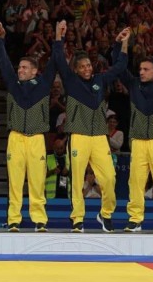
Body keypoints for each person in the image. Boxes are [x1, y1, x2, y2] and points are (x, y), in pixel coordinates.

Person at [53, 20, 128, 233]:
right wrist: (59, 35)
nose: (87, 69)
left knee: (110, 178)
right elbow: (58, 59)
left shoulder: (100, 79)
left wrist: (123, 43)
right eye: (82, 66)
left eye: (89, 65)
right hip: (78, 136)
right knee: (77, 179)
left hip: (99, 137)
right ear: (75, 69)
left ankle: (105, 214)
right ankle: (77, 218)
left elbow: (120, 66)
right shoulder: (70, 81)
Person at [112, 28, 153, 234]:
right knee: (135, 182)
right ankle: (135, 219)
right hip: (139, 140)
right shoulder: (133, 84)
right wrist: (120, 44)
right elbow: (119, 67)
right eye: (140, 69)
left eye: (146, 69)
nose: (141, 72)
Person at [0, 20, 57, 232]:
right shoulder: (13, 84)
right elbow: (3, 63)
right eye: (19, 67)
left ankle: (40, 219)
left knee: (37, 181)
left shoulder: (44, 85)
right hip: (16, 137)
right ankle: (14, 219)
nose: (19, 70)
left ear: (34, 71)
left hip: (37, 138)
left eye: (24, 68)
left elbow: (55, 62)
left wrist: (58, 38)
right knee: (15, 180)